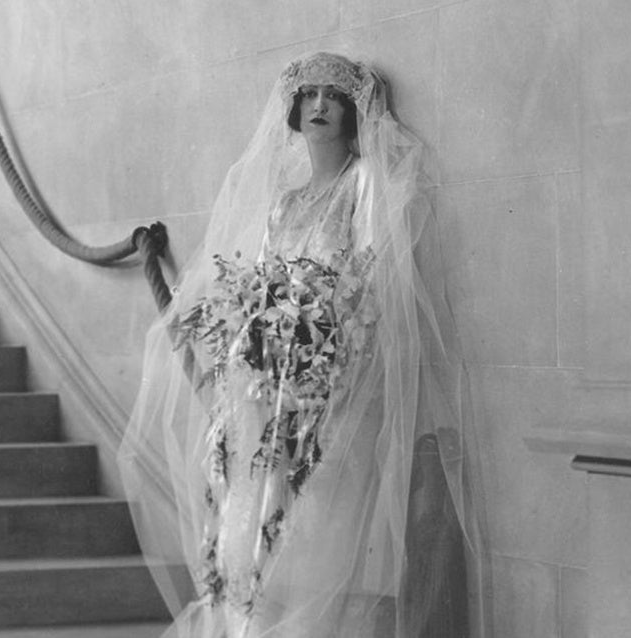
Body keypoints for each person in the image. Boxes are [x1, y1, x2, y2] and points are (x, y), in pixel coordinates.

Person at [119, 51, 488, 637]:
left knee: (312, 527)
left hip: (332, 379)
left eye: (333, 97)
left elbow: (371, 281)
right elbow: (261, 281)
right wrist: (252, 345)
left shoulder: (364, 183)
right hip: (267, 383)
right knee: (248, 512)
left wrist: (324, 353)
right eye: (310, 95)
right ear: (293, 110)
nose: (319, 106)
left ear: (351, 111)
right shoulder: (285, 202)